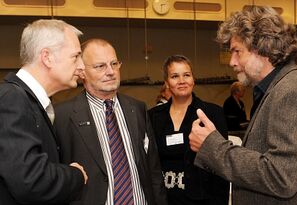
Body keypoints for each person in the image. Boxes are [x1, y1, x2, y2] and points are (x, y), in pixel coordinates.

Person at [189, 6, 297, 205]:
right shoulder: (276, 88)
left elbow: (281, 177)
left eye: (237, 51)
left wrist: (212, 146)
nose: (232, 62)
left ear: (263, 48)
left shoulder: (292, 90)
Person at [54, 38, 168, 205]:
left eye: (114, 64)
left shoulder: (137, 109)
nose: (111, 71)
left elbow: (153, 170)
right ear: (82, 71)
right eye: (100, 66)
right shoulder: (62, 116)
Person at [0, 19, 88, 205]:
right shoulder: (12, 100)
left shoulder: (26, 101)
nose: (82, 66)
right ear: (47, 57)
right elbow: (31, 181)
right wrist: (75, 175)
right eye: (76, 56)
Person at [148, 55, 229, 205]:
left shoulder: (212, 113)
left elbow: (221, 165)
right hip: (163, 199)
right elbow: (149, 164)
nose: (182, 81)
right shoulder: (153, 116)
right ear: (166, 83)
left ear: (193, 79)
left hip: (202, 199)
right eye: (174, 76)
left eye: (186, 75)